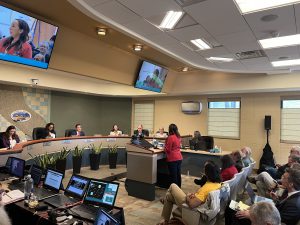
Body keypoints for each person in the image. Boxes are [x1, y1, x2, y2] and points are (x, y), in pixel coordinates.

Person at [226, 168, 300, 225]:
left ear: (291, 184)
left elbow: (276, 221)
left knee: (231, 209)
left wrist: (251, 215)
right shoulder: (289, 192)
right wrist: (276, 200)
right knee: (232, 204)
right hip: (261, 215)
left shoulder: (294, 204)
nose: (281, 179)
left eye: (284, 177)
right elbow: (278, 210)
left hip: (259, 220)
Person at [157, 162, 221, 225]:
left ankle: (164, 218)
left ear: (207, 174)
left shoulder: (207, 188)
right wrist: (194, 195)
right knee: (169, 196)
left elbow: (192, 204)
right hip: (198, 205)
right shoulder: (218, 184)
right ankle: (164, 221)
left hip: (192, 210)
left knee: (173, 186)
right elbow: (200, 198)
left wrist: (188, 196)